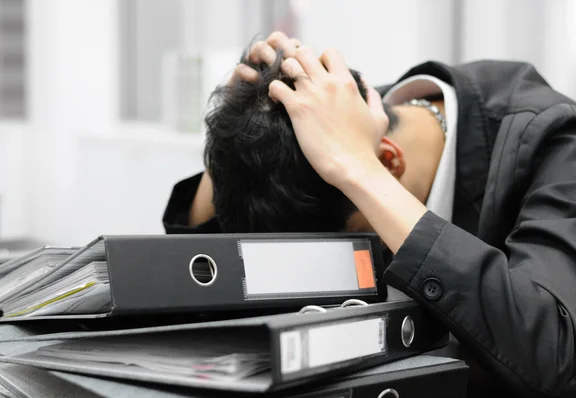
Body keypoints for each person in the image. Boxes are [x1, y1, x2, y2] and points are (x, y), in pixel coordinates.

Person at [163, 32, 576, 397]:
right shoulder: (319, 123)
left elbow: (554, 356)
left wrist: (362, 173)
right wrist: (231, 140)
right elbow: (206, 308)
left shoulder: (555, 143)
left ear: (389, 162)